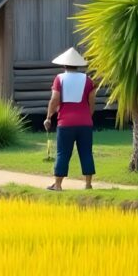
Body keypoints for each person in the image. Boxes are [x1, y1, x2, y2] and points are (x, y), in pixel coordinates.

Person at [44, 47, 96, 191]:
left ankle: (58, 185)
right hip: (85, 123)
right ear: (78, 65)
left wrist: (49, 117)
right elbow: (92, 102)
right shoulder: (88, 80)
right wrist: (88, 116)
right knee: (86, 152)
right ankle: (88, 184)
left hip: (65, 123)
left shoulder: (59, 79)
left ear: (64, 65)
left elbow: (54, 99)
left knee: (62, 153)